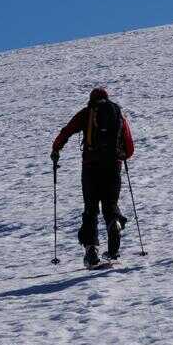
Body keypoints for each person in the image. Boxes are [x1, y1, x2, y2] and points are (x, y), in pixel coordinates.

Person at [51, 87, 135, 267]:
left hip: (90, 168)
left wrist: (56, 149)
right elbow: (129, 147)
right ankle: (114, 224)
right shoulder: (118, 115)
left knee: (90, 209)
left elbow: (67, 130)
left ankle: (91, 251)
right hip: (113, 167)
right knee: (110, 205)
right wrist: (120, 155)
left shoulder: (86, 113)